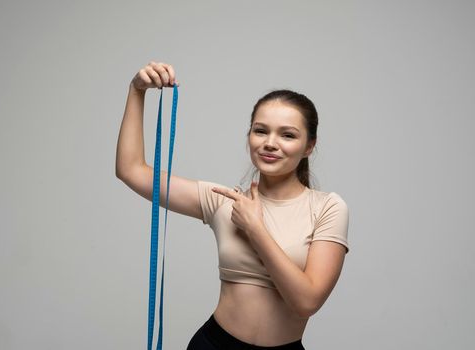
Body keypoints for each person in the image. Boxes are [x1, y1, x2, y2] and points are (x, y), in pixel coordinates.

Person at [115, 61, 350, 350]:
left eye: (287, 135)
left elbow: (306, 302)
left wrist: (256, 228)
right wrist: (136, 90)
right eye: (260, 131)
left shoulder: (327, 208)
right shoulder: (222, 200)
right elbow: (131, 170)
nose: (270, 143)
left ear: (309, 146)